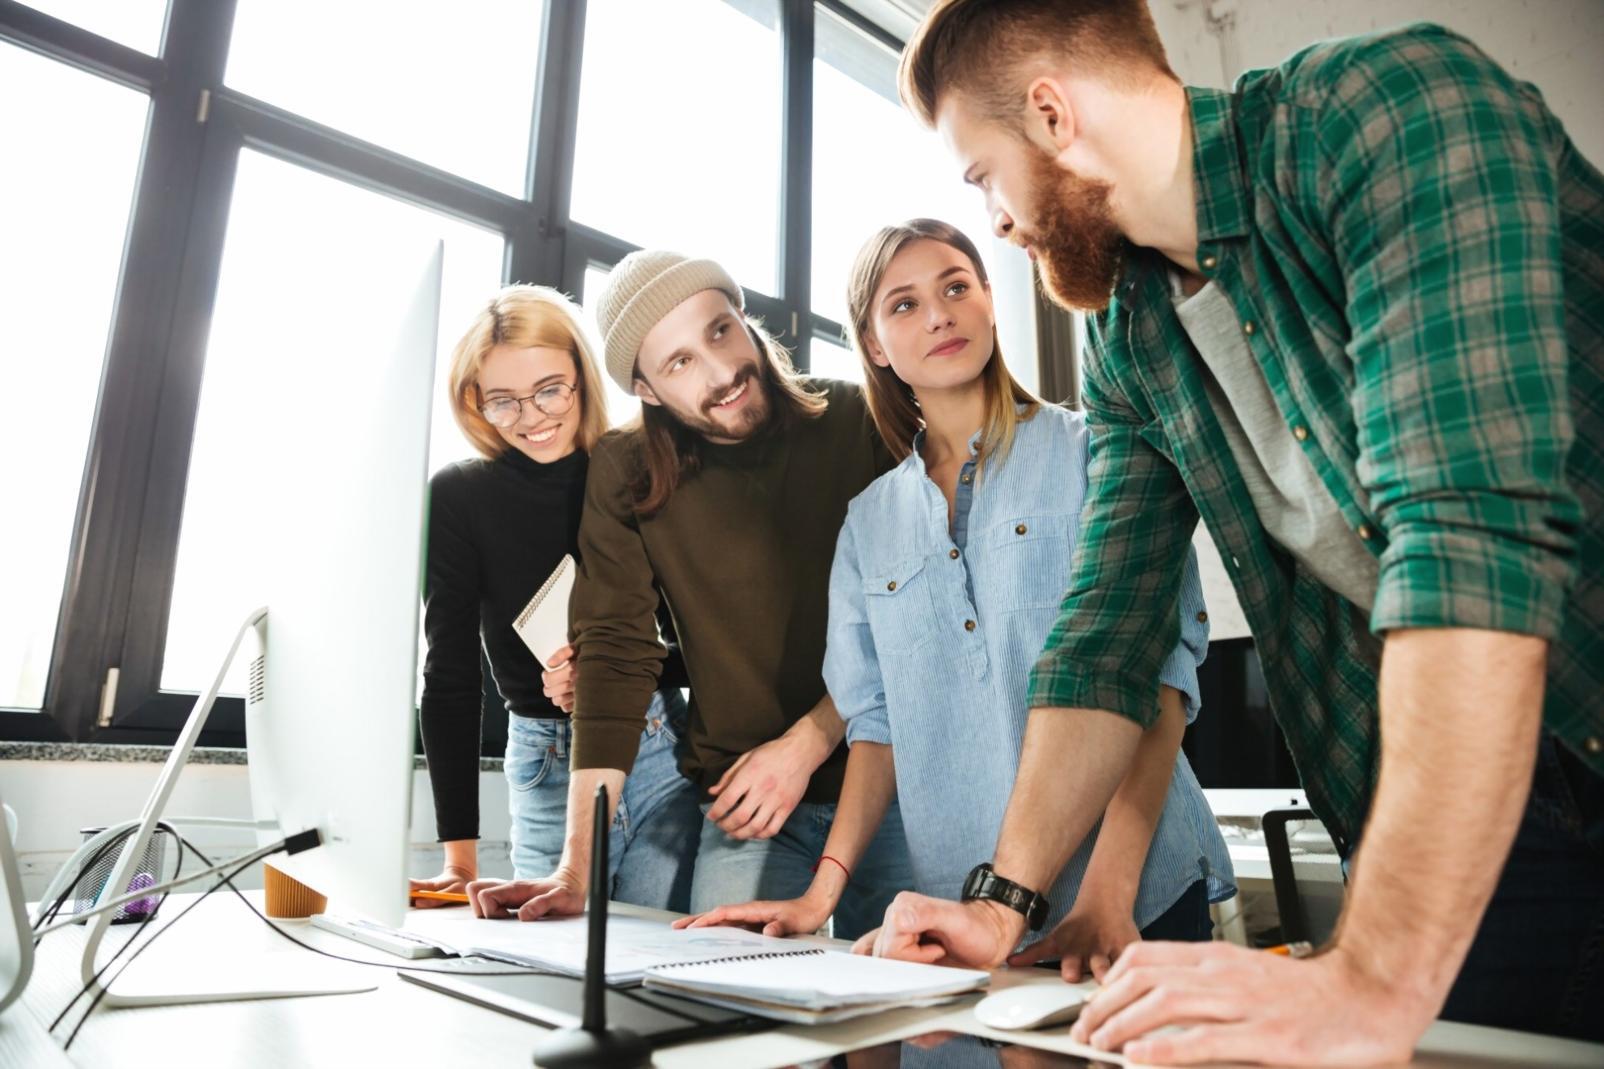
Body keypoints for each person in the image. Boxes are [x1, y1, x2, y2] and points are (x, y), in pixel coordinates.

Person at [866, 2, 1604, 1063]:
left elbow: (1467, 546)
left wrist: (1366, 975)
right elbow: (1107, 635)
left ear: (1051, 114)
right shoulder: (1128, 337)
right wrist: (1000, 902)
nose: (997, 221)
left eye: (984, 176)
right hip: (1488, 793)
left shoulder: (1381, 113)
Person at [679, 219, 1234, 979]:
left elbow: (1162, 680)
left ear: (991, 303)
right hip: (960, 904)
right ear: (874, 345)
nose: (939, 315)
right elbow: (877, 726)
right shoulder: (868, 522)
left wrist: (1109, 892)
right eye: (904, 305)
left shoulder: (1099, 452)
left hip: (1135, 890)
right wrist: (821, 894)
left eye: (956, 287)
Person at [466, 253, 912, 938]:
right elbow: (615, 653)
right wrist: (575, 871)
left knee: (915, 1000)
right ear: (645, 388)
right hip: (745, 804)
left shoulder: (860, 418)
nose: (721, 371)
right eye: (678, 363)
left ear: (743, 318)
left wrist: (808, 741)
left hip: (896, 783)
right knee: (722, 992)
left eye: (720, 331)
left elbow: (918, 619)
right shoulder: (625, 468)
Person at [413, 285, 699, 911]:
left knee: (656, 947)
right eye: (503, 401)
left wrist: (611, 672)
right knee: (551, 943)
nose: (531, 417)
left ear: (581, 378)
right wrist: (459, 859)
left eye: (550, 390)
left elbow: (707, 646)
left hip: (656, 745)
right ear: (475, 401)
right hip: (545, 757)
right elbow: (450, 676)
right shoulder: (461, 496)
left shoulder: (638, 469)